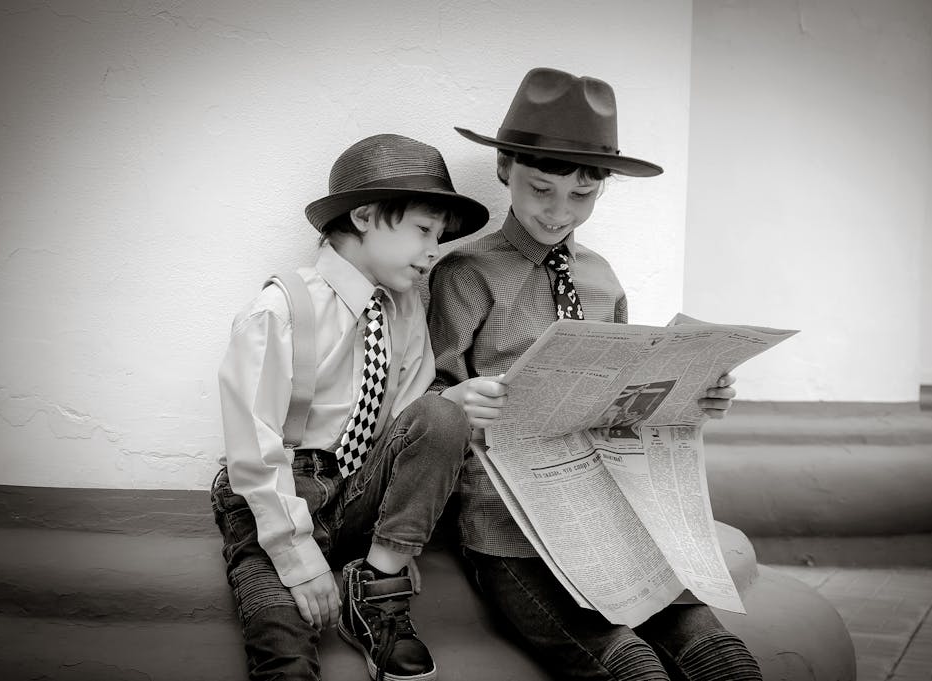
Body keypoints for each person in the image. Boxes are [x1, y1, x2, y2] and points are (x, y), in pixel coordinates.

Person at [428, 68, 763, 680]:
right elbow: (427, 398)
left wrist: (695, 396)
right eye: (540, 189)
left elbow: (624, 400)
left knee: (721, 659)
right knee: (629, 667)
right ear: (505, 168)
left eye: (581, 196)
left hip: (609, 515)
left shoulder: (602, 277)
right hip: (510, 530)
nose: (558, 212)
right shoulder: (466, 273)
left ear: (602, 187)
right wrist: (458, 399)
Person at [211, 133, 488, 681]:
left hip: (359, 487)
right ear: (363, 215)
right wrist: (296, 555)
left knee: (442, 413)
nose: (435, 250)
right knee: (283, 651)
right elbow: (253, 444)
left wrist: (452, 406)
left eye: (441, 236)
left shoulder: (406, 307)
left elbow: (408, 421)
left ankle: (376, 596)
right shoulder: (282, 307)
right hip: (280, 491)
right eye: (424, 230)